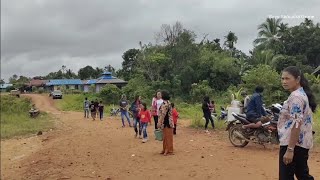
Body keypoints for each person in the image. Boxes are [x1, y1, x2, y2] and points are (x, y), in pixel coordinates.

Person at [278, 66, 316, 180]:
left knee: (286, 177)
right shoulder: (300, 94)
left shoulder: (296, 97)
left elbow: (296, 124)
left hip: (293, 143)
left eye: (287, 78)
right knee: (302, 175)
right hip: (301, 143)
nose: (284, 81)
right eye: (282, 78)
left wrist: (290, 150)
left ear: (298, 79)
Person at [158, 90, 174, 156]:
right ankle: (165, 149)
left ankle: (168, 149)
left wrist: (159, 122)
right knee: (165, 136)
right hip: (166, 121)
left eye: (161, 94)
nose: (159, 95)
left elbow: (163, 114)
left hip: (167, 122)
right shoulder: (166, 103)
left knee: (167, 136)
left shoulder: (165, 104)